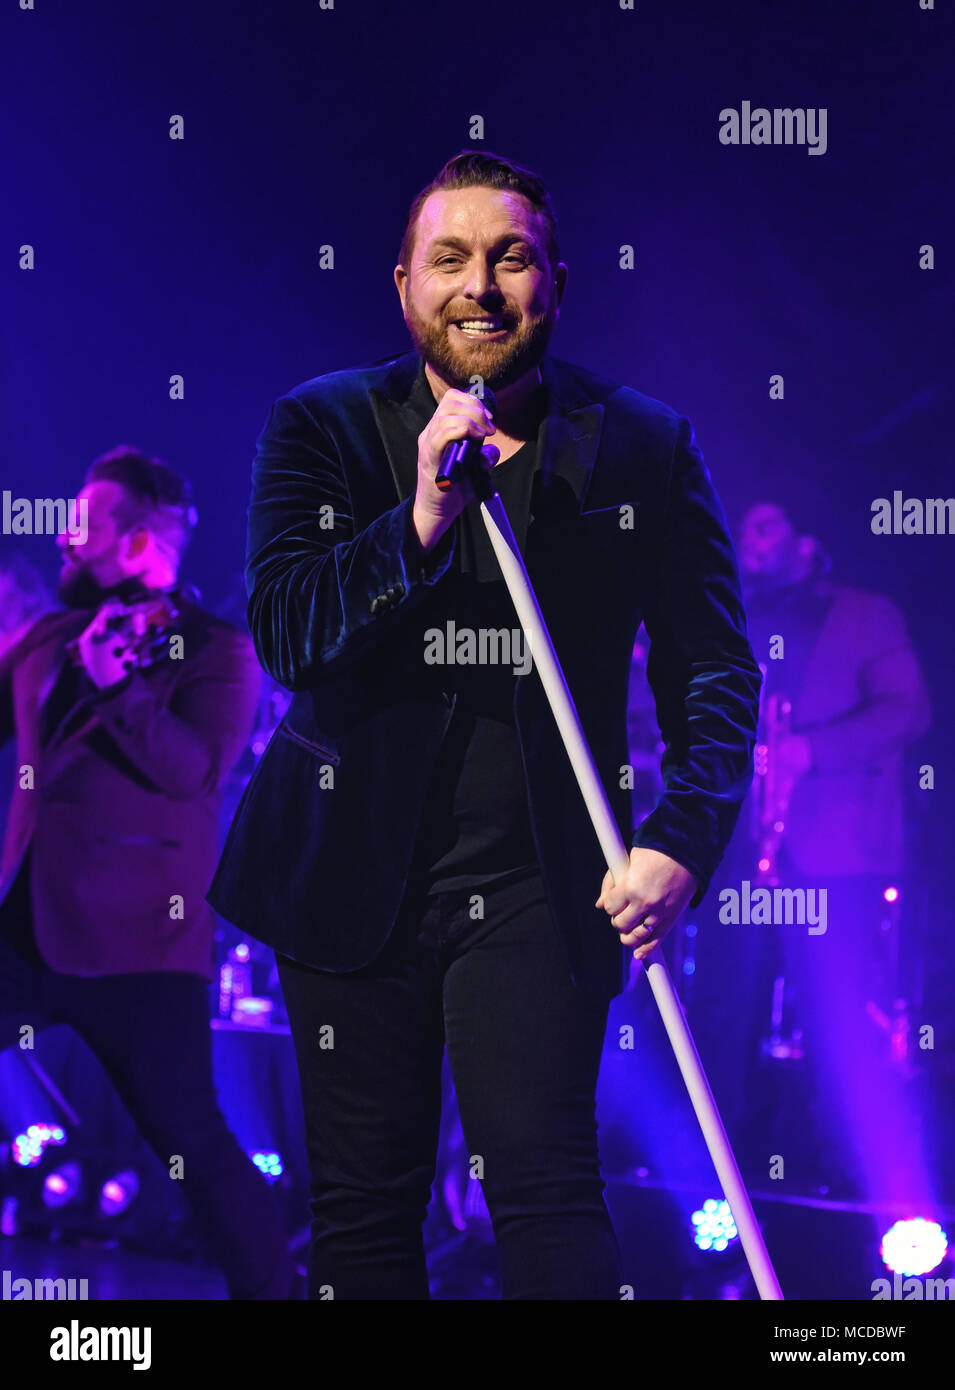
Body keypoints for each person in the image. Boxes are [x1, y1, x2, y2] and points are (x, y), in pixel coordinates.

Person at [209, 150, 762, 1299]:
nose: (480, 284)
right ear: (403, 284)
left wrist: (682, 840)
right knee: (363, 1212)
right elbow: (287, 633)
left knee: (549, 1194)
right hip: (344, 874)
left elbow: (713, 667)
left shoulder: (644, 442)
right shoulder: (324, 425)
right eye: (449, 258)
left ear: (555, 281)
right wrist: (419, 516)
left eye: (510, 256)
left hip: (541, 882)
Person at [0, 447, 292, 1299]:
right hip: (24, 927)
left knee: (193, 1141)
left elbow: (195, 771)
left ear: (134, 545)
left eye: (84, 522)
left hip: (138, 949)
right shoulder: (48, 636)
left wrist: (116, 688)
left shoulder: (216, 650)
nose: (63, 535)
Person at [687, 499, 931, 1196]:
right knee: (720, 1013)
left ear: (805, 541)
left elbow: (907, 709)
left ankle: (843, 1180)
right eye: (746, 529)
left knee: (836, 1021)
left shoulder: (864, 614)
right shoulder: (728, 614)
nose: (748, 540)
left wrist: (804, 750)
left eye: (765, 527)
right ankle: (717, 1178)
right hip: (736, 860)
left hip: (831, 860)